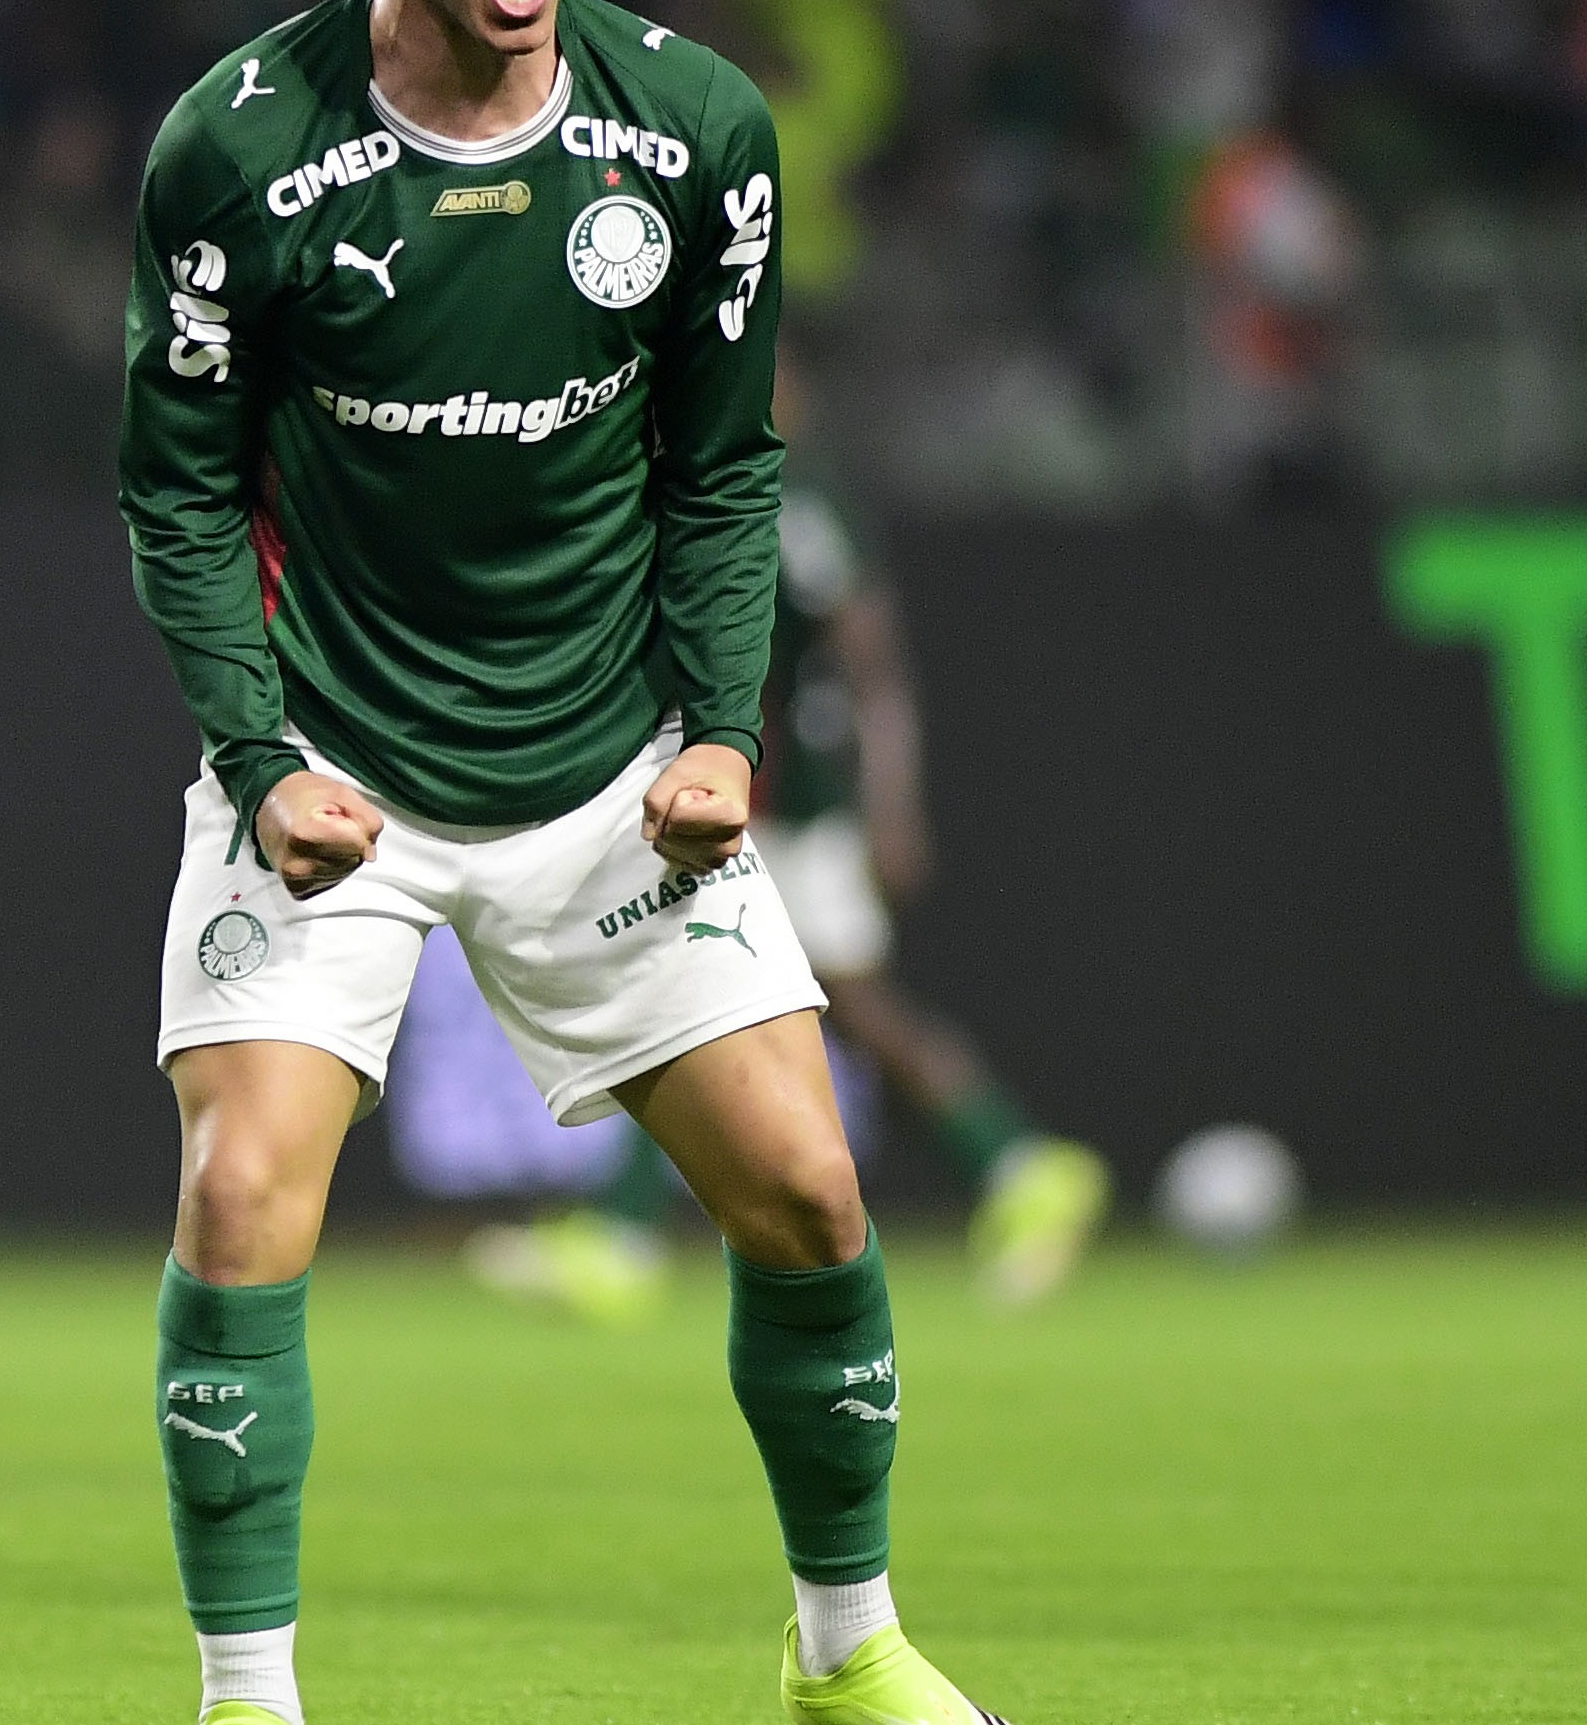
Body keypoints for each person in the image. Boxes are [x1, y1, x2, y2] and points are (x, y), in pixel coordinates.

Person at [114, 0, 1059, 1725]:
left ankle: (853, 1649)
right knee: (243, 1189)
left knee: (810, 1188)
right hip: (334, 771)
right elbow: (175, 489)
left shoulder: (695, 134)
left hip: (609, 774)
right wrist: (254, 753)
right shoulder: (237, 150)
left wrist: (721, 735)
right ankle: (247, 1714)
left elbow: (731, 477)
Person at [470, 356, 1109, 1317]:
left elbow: (872, 660)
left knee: (784, 995)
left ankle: (1018, 1164)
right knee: (731, 994)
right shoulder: (706, 484)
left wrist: (890, 805)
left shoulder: (793, 495)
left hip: (793, 798)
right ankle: (1014, 1164)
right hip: (752, 791)